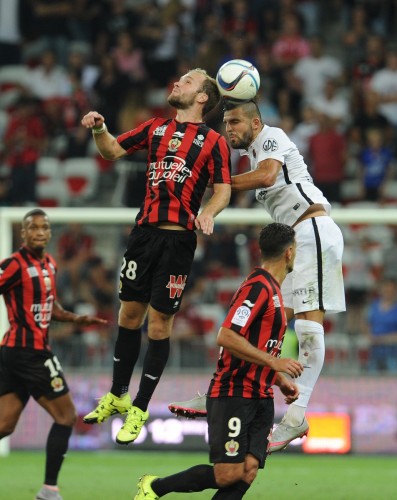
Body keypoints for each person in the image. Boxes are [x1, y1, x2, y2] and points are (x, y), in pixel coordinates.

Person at [169, 99, 345, 453]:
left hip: (313, 229)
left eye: (235, 121)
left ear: (255, 122)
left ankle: (297, 415)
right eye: (226, 123)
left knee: (309, 329)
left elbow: (266, 176)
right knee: (263, 322)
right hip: (295, 240)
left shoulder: (270, 137)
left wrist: (220, 182)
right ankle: (220, 388)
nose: (228, 128)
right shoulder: (252, 155)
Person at [81, 67, 231, 445]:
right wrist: (100, 128)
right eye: (179, 78)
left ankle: (140, 407)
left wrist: (209, 211)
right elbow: (113, 150)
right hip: (144, 235)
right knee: (128, 314)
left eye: (188, 81)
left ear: (202, 98)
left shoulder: (214, 141)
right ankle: (117, 394)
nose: (177, 82)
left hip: (177, 242)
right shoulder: (155, 128)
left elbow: (223, 189)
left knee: (159, 325)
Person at [134, 223, 303, 500]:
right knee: (228, 474)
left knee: (248, 470)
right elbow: (226, 336)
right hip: (234, 392)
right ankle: (154, 487)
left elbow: (258, 348)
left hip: (261, 395)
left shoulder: (273, 291)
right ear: (289, 252)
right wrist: (274, 364)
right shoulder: (257, 288)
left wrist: (278, 380)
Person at [0, 208, 107, 500]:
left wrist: (75, 319)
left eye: (43, 227)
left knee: (4, 425)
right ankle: (49, 490)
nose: (38, 232)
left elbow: (51, 306)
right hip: (28, 352)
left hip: (18, 353)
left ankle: (48, 490)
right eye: (32, 227)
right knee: (66, 416)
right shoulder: (12, 264)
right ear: (23, 233)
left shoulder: (50, 264)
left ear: (49, 232)